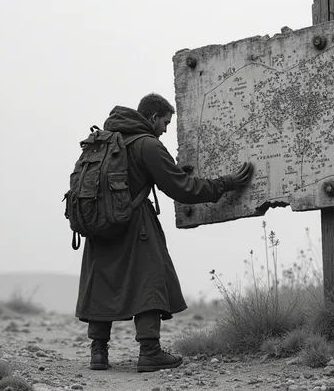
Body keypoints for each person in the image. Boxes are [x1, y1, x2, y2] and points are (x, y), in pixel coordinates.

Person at [75, 93, 253, 373]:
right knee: (149, 279)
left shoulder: (104, 142)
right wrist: (225, 183)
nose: (166, 129)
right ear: (152, 117)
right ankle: (150, 352)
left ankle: (98, 352)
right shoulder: (148, 144)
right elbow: (182, 188)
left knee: (102, 281)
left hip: (99, 225)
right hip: (136, 224)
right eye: (165, 122)